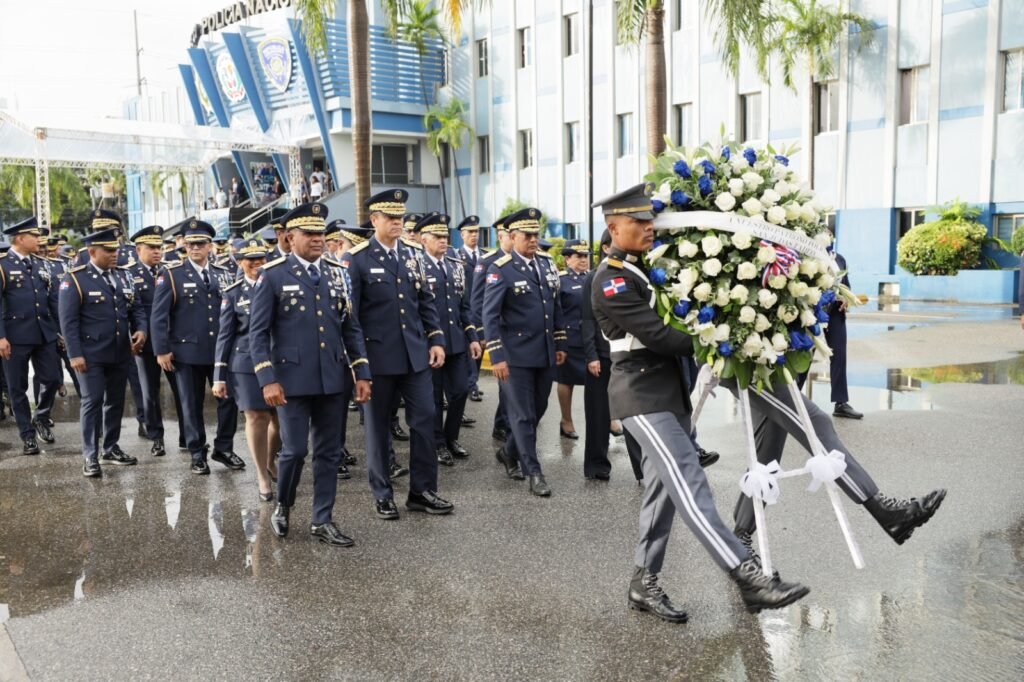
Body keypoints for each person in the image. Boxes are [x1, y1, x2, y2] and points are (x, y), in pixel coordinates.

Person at [591, 183, 811, 618]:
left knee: (661, 492)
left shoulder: (643, 268)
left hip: (668, 395)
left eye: (649, 219)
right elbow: (659, 336)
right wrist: (723, 337)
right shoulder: (611, 280)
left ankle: (643, 583)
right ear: (614, 228)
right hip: (640, 396)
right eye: (637, 221)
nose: (648, 227)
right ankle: (748, 577)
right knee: (691, 484)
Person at [249, 202, 372, 545]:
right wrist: (267, 379)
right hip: (291, 381)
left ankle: (322, 518)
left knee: (329, 451)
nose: (319, 239)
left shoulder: (337, 272)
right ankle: (284, 505)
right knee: (294, 452)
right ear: (290, 237)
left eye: (321, 233)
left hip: (333, 378)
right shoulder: (272, 275)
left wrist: (362, 372)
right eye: (310, 233)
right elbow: (257, 334)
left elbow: (351, 327)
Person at [344, 189, 454, 520]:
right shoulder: (357, 258)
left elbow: (425, 301)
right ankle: (382, 494)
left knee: (424, 420)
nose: (397, 222)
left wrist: (435, 339)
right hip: (377, 358)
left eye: (400, 217)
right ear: (374, 220)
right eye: (390, 217)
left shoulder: (412, 254)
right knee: (377, 428)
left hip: (415, 355)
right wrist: (358, 363)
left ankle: (422, 490)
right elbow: (351, 317)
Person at [482, 208, 567, 496]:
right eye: (527, 235)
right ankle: (535, 472)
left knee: (538, 409)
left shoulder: (545, 264)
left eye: (536, 235)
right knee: (521, 415)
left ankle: (509, 451)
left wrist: (559, 342)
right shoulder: (501, 269)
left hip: (544, 351)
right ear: (513, 237)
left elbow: (555, 305)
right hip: (515, 355)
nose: (533, 240)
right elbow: (489, 315)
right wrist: (496, 356)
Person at [150, 218, 243, 475]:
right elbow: (158, 316)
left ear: (210, 245)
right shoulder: (171, 275)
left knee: (228, 401)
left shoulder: (223, 273)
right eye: (190, 244)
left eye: (200, 243)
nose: (195, 248)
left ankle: (223, 447)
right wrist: (161, 349)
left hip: (220, 352)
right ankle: (196, 452)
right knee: (191, 404)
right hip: (186, 352)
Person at [59, 226, 148, 477]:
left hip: (120, 351)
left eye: (116, 249)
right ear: (92, 252)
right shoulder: (75, 279)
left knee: (116, 402)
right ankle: (90, 454)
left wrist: (141, 330)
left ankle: (110, 447)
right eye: (108, 250)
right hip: (90, 354)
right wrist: (75, 354)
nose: (114, 254)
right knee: (92, 401)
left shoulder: (123, 275)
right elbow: (68, 322)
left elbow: (136, 307)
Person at [214, 239, 280, 502]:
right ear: (239, 262)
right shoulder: (232, 293)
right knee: (256, 417)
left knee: (280, 421)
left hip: (278, 360)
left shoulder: (277, 285)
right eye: (250, 259)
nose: (256, 263)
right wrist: (219, 376)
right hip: (244, 364)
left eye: (260, 258)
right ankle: (262, 476)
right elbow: (224, 336)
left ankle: (270, 460)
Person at [581, 230, 645, 482]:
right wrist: (591, 355)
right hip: (601, 355)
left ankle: (642, 469)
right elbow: (587, 320)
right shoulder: (594, 277)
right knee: (598, 413)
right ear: (605, 248)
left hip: (627, 353)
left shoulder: (632, 274)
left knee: (633, 412)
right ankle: (596, 466)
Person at [418, 212, 481, 466]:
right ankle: (437, 443)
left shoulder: (456, 266)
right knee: (433, 397)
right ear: (424, 240)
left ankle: (451, 437)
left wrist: (473, 337)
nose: (443, 241)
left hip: (455, 341)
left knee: (461, 390)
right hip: (430, 344)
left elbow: (464, 307)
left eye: (445, 236)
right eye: (437, 237)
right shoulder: (417, 265)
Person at [0, 216, 62, 455]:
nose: (39, 239)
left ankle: (41, 416)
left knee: (53, 378)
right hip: (14, 336)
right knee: (18, 387)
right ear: (20, 238)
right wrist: (1, 336)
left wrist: (60, 330)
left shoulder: (41, 264)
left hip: (44, 332)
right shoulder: (3, 265)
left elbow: (52, 299)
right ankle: (27, 435)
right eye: (34, 236)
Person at [129, 225, 186, 456]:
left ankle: (187, 435)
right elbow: (132, 310)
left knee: (182, 392)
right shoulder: (129, 274)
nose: (157, 252)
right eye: (151, 248)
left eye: (159, 247)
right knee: (149, 393)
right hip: (146, 345)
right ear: (138, 249)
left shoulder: (170, 272)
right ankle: (156, 437)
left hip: (172, 342)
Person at [472, 218, 514, 441]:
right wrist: (482, 333)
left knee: (510, 387)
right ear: (501, 236)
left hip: (515, 333)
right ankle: (506, 427)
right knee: (506, 383)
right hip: (497, 332)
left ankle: (503, 423)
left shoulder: (521, 261)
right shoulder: (488, 262)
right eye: (510, 234)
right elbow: (477, 301)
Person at [556, 239, 590, 440]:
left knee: (599, 380)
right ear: (567, 259)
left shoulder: (592, 278)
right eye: (579, 256)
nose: (584, 260)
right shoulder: (561, 280)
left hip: (591, 337)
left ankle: (608, 417)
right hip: (569, 338)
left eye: (585, 256)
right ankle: (566, 420)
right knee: (566, 381)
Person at [826, 249, 862, 419]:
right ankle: (793, 401)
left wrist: (846, 300)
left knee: (839, 355)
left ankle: (840, 402)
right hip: (813, 313)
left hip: (835, 314)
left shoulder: (839, 259)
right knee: (805, 354)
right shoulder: (809, 255)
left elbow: (846, 286)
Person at [458, 216, 485, 402]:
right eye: (470, 232)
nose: (474, 235)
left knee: (480, 346)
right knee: (468, 347)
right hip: (464, 309)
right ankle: (471, 384)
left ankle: (472, 382)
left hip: (482, 309)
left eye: (476, 231)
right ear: (462, 234)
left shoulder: (484, 256)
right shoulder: (456, 256)